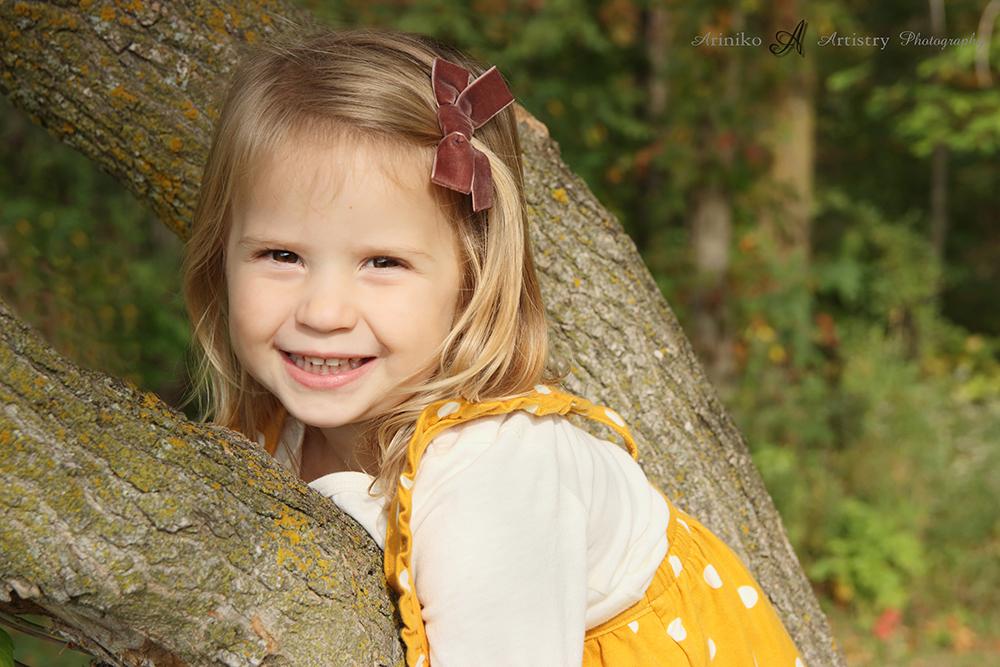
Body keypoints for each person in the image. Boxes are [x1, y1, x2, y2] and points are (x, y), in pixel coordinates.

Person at [183, 28, 806, 667]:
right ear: (221, 257)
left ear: (472, 278)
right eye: (280, 255)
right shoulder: (270, 433)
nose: (322, 312)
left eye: (383, 262)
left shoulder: (495, 468)